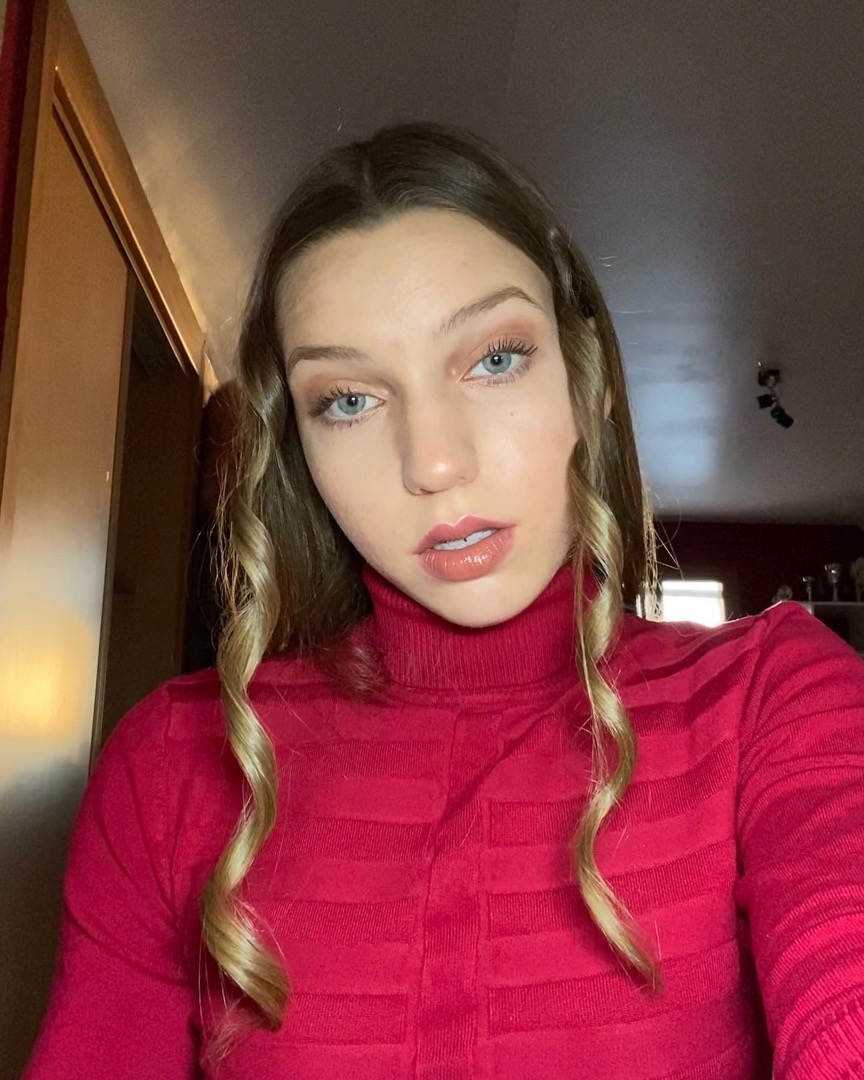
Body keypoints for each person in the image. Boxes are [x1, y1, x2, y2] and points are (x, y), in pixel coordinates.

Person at [23, 123, 864, 1079]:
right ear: (299, 446)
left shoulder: (771, 700)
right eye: (348, 400)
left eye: (495, 358)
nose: (433, 462)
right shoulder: (173, 768)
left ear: (585, 375)